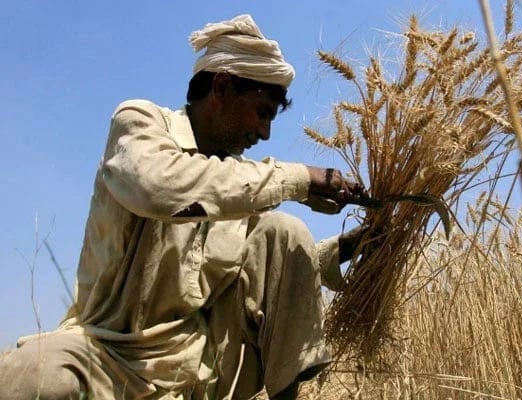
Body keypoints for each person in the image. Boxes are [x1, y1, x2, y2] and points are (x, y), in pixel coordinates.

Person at [0, 14, 366, 400]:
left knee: (283, 230)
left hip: (199, 365)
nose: (265, 133)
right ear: (222, 87)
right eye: (262, 113)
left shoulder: (239, 182)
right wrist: (296, 180)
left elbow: (269, 261)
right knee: (33, 373)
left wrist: (347, 248)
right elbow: (158, 188)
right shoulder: (139, 124)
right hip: (107, 357)